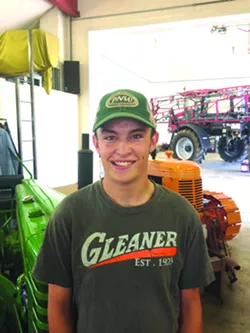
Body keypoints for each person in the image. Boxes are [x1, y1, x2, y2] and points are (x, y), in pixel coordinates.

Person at [32, 88, 215, 333]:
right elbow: (58, 304)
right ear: (96, 143)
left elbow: (191, 303)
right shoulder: (69, 215)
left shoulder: (182, 215)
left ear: (152, 141)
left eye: (135, 136)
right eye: (110, 137)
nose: (123, 149)